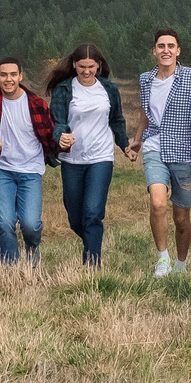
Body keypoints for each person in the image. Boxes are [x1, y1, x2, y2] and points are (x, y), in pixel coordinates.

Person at [127, 30, 191, 278]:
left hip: (185, 151)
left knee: (181, 216)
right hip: (155, 146)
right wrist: (138, 139)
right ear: (154, 51)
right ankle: (163, 259)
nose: (165, 50)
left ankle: (181, 264)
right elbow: (145, 112)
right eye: (160, 46)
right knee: (157, 203)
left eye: (170, 46)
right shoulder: (145, 79)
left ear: (178, 51)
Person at [48, 43, 127, 267]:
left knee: (92, 212)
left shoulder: (108, 89)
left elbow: (117, 119)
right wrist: (61, 136)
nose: (86, 71)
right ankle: (93, 242)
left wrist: (124, 145)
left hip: (101, 158)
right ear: (74, 64)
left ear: (99, 66)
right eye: (81, 66)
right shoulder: (64, 89)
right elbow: (58, 121)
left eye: (91, 66)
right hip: (72, 159)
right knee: (75, 218)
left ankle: (92, 264)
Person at [0, 57, 56, 265]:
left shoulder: (36, 103)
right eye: (3, 75)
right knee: (4, 223)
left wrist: (64, 145)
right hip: (0, 168)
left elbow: (50, 135)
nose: (8, 79)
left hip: (30, 169)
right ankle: (10, 267)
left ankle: (32, 246)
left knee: (31, 224)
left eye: (13, 74)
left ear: (20, 76)